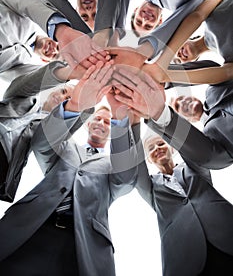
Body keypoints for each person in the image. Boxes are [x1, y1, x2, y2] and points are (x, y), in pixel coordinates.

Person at [0, 61, 140, 276]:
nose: (102, 123)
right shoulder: (66, 148)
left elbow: (128, 178)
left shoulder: (113, 166)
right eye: (98, 118)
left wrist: (119, 114)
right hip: (28, 230)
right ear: (87, 122)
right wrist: (76, 103)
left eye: (107, 121)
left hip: (81, 248)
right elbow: (42, 144)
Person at [136, 133, 233, 276]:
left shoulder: (193, 167)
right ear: (148, 160)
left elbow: (186, 141)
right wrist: (132, 126)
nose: (157, 148)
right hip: (186, 259)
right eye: (151, 148)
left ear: (172, 148)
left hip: (226, 236)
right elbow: (134, 165)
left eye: (161, 143)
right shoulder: (150, 187)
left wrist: (161, 119)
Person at [0, 56, 87, 202]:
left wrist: (85, 96)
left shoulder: (52, 130)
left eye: (69, 99)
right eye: (64, 91)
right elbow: (28, 83)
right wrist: (70, 73)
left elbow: (73, 122)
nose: (63, 97)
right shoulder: (22, 97)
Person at [0, 0, 109, 81]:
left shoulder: (18, 64)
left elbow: (24, 80)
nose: (54, 50)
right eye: (58, 46)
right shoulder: (28, 19)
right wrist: (61, 30)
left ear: (45, 61)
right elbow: (26, 2)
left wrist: (68, 73)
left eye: (56, 55)